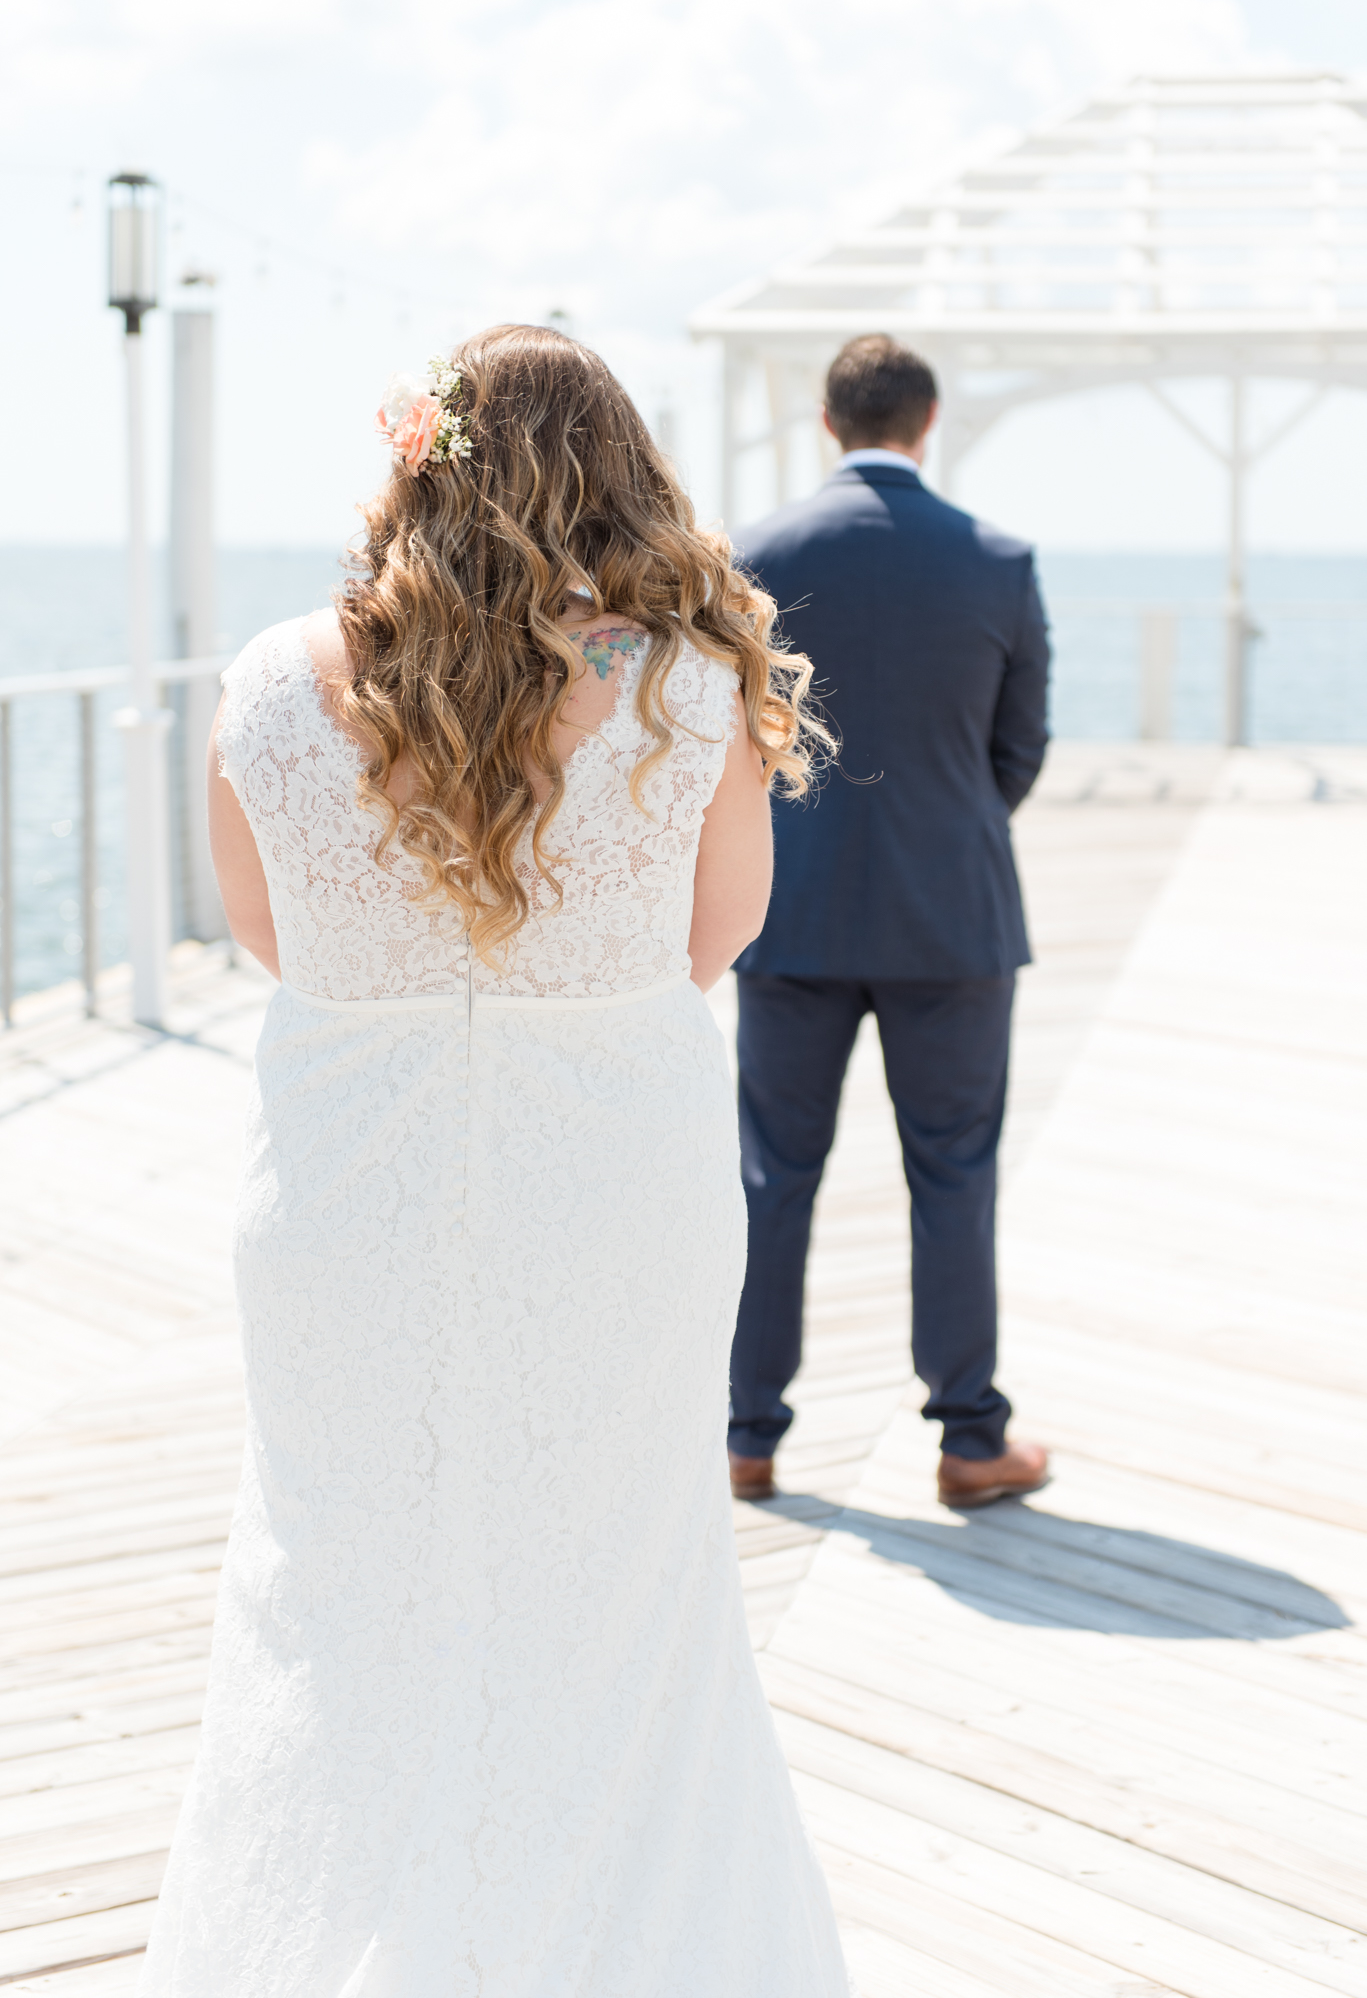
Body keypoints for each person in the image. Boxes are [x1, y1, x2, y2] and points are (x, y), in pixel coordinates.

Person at [140, 327, 849, 1998]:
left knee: (333, 1575)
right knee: (619, 1580)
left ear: (418, 464)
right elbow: (719, 931)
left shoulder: (265, 680)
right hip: (614, 1180)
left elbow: (262, 930)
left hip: (342, 1191)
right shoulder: (689, 683)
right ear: (622, 471)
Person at [726, 332, 1051, 1512]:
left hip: (792, 912)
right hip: (950, 915)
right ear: (927, 424)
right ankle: (970, 1437)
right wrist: (947, 826)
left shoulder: (752, 554)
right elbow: (1016, 747)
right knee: (953, 1172)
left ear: (827, 424)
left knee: (769, 1174)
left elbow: (729, 742)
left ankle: (742, 1432)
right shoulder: (997, 558)